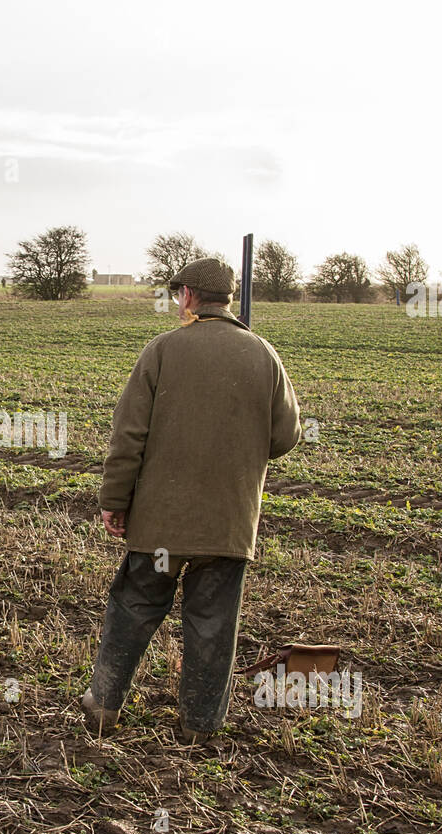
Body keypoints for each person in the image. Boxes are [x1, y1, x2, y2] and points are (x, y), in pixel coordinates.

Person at [82, 256, 302, 744]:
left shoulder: (161, 350)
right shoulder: (263, 354)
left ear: (187, 296)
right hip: (228, 524)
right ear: (227, 298)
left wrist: (115, 500)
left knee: (134, 606)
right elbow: (286, 436)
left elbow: (128, 436)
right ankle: (199, 726)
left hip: (161, 523)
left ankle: (104, 704)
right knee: (213, 624)